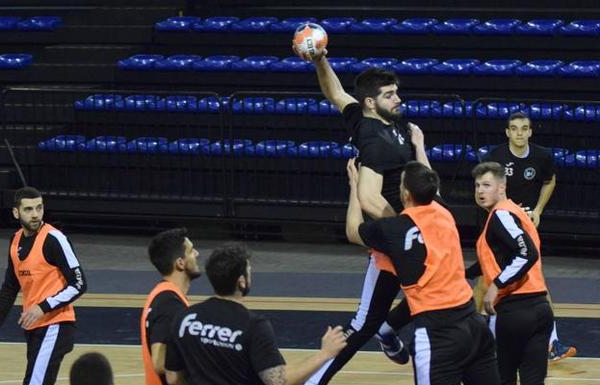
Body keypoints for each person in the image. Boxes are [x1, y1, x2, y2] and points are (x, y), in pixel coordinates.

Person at [296, 42, 432, 384]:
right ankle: (315, 380)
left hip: (415, 237)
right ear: (372, 102)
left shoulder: (379, 121)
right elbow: (370, 199)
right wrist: (403, 231)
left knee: (427, 303)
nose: (398, 99)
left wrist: (321, 60)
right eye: (390, 94)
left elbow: (337, 93)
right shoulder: (373, 141)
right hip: (398, 244)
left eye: (396, 92)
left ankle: (387, 332)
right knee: (365, 323)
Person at [345, 159, 500, 385]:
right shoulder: (444, 212)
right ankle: (387, 330)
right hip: (473, 325)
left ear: (406, 194)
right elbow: (432, 184)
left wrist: (355, 186)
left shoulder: (394, 229)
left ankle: (386, 330)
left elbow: (352, 230)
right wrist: (419, 144)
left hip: (437, 334)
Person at [164, 242, 347, 385]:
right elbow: (279, 381)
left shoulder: (184, 318)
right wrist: (325, 354)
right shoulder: (253, 325)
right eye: (249, 271)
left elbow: (173, 378)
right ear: (241, 282)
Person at [482, 112, 575, 361]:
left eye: (524, 128)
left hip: (525, 226)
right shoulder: (496, 157)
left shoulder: (541, 156)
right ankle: (476, 336)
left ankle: (553, 342)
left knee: (535, 282)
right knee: (487, 280)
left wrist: (538, 210)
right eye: (514, 128)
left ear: (531, 132)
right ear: (507, 132)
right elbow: (485, 188)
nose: (519, 133)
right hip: (501, 224)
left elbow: (550, 180)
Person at [0, 186, 87, 385]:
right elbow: (10, 288)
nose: (35, 214)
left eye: (39, 208)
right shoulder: (15, 241)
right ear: (16, 212)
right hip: (34, 328)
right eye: (28, 209)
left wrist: (42, 307)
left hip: (56, 325)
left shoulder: (54, 240)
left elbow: (79, 283)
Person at [473, 161, 554, 385]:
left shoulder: (501, 215)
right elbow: (499, 258)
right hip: (540, 309)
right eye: (477, 185)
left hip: (516, 310)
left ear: (502, 187)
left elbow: (526, 253)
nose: (480, 191)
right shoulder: (514, 212)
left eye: (486, 185)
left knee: (502, 378)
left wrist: (496, 285)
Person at [141, 228, 201, 385]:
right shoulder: (170, 304)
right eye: (191, 250)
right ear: (180, 263)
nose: (197, 254)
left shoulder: (161, 294)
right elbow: (160, 363)